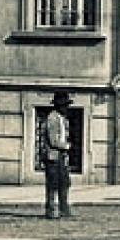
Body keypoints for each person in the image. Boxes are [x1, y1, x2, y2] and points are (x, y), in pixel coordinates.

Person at [39, 91, 74, 220]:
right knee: (53, 184)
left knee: (64, 182)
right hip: (52, 156)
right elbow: (53, 141)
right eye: (64, 105)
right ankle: (51, 210)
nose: (66, 108)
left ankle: (64, 209)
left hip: (61, 156)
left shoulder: (63, 119)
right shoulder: (52, 118)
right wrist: (66, 146)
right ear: (58, 106)